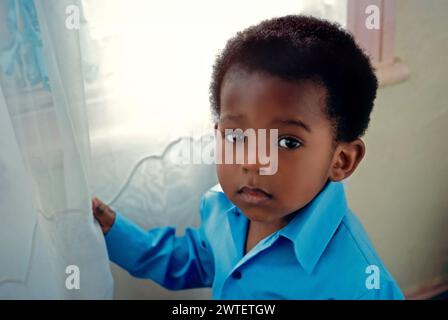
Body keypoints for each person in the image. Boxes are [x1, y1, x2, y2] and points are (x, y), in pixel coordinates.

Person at [92, 15, 404, 299]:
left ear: (341, 160)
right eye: (236, 137)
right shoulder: (222, 210)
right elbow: (196, 261)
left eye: (287, 142)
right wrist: (115, 232)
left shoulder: (357, 280)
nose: (253, 161)